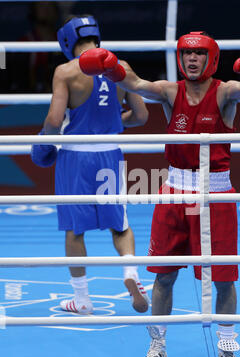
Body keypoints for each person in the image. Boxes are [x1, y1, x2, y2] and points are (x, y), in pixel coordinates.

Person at [78, 31, 240, 357]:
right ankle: (157, 346)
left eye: (198, 55)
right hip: (175, 191)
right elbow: (136, 84)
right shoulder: (170, 91)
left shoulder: (224, 91)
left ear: (210, 59)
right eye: (186, 54)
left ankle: (226, 348)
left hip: (215, 193)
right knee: (164, 276)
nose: (191, 60)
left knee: (223, 278)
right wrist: (110, 70)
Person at [31, 15, 150, 315]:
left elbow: (54, 121)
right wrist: (111, 123)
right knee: (120, 225)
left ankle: (82, 300)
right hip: (110, 152)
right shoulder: (121, 68)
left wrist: (44, 141)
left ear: (67, 40)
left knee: (75, 230)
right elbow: (140, 116)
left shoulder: (66, 71)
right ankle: (130, 273)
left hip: (76, 157)